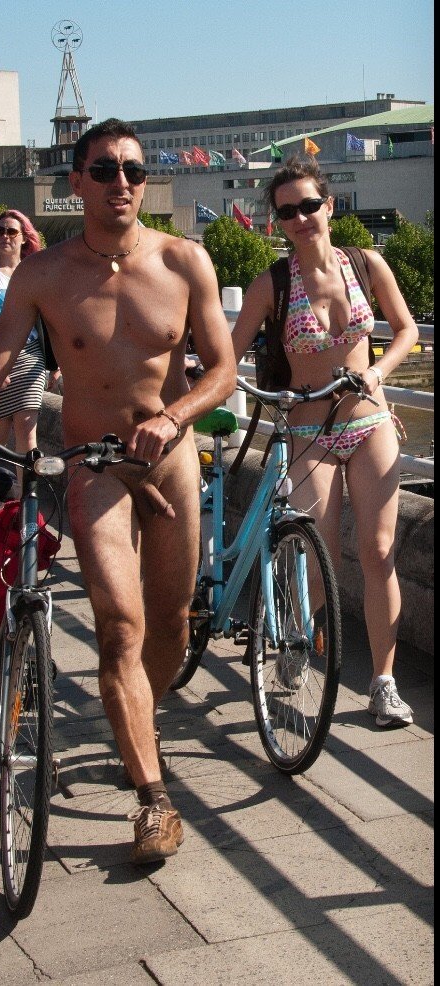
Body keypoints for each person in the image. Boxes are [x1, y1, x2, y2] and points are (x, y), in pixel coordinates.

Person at [0, 119, 237, 863]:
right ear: (75, 182)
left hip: (171, 459)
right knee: (119, 627)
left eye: (134, 170)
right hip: (92, 465)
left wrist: (172, 417)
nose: (121, 182)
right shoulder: (45, 276)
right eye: (104, 169)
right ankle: (154, 801)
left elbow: (222, 371)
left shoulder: (184, 260)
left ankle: (137, 720)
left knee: (171, 627)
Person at [231, 155, 419, 729]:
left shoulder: (365, 263)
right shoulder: (273, 284)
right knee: (318, 557)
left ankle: (383, 684)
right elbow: (227, 353)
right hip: (309, 431)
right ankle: (297, 633)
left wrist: (379, 371)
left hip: (369, 423)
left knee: (380, 553)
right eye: (287, 211)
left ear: (329, 206)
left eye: (309, 206)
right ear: (277, 221)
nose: (300, 219)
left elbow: (407, 329)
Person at [0, 209, 61, 491]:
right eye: (0, 230)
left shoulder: (34, 273)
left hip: (30, 358)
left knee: (27, 434)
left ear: (24, 238)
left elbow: (50, 321)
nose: (5, 236)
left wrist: (54, 365)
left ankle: (27, 498)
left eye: (11, 231)